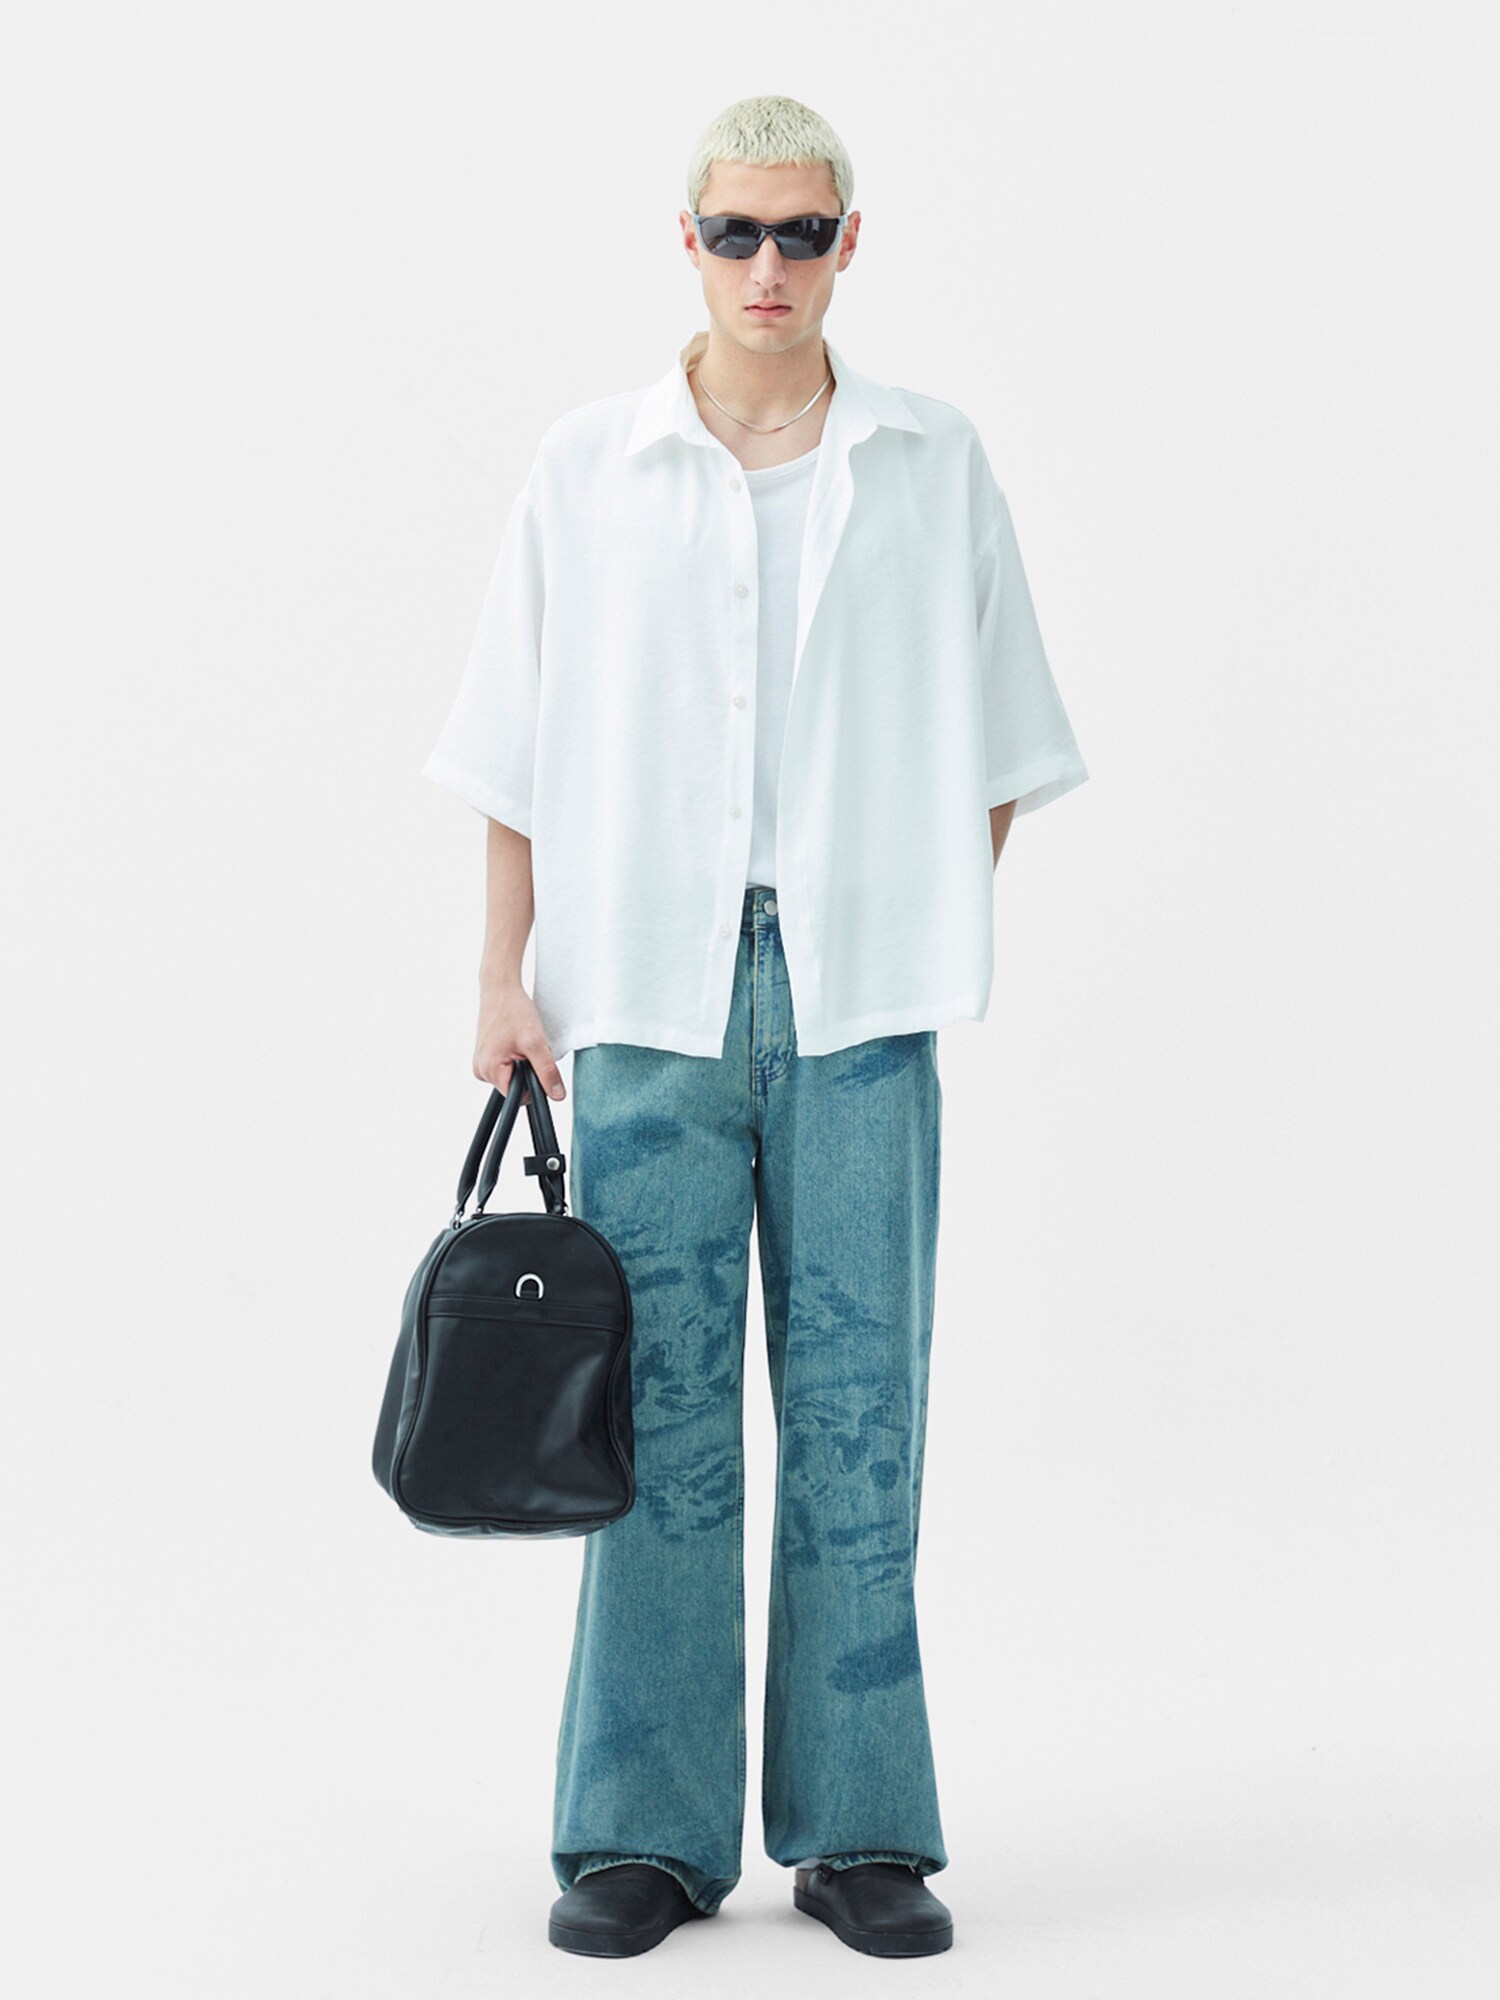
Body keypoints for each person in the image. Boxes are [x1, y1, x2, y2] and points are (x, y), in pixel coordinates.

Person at [421, 94, 1088, 1959]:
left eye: (804, 233)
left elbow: (1006, 734)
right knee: (657, 1414)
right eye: (739, 232)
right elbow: (511, 750)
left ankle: (861, 1825)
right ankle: (642, 1831)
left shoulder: (931, 461)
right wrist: (501, 977)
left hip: (860, 995)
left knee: (863, 1410)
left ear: (851, 242)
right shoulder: (590, 466)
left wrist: (910, 910)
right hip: (645, 991)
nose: (770, 267)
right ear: (690, 241)